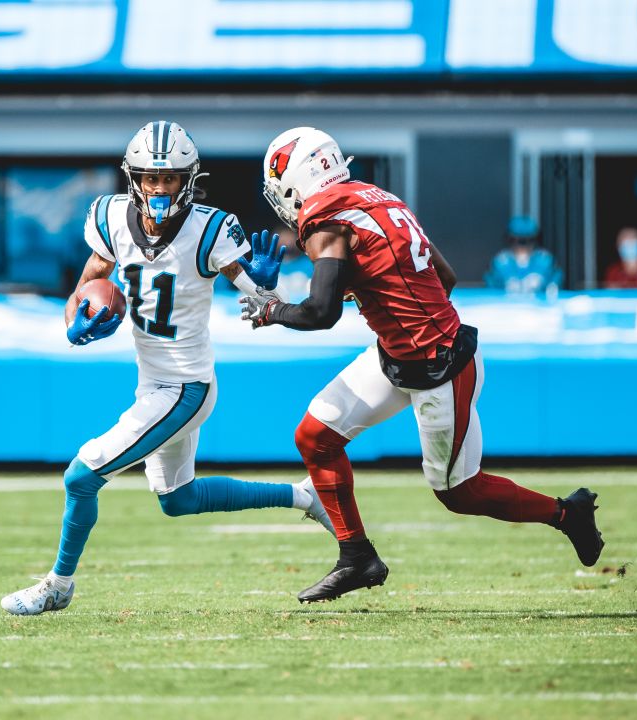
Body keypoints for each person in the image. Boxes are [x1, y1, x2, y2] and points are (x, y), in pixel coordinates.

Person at [240, 127, 604, 603]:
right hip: (401, 353)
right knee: (315, 436)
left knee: (459, 492)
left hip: (438, 368)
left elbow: (320, 313)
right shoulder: (378, 199)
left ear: (300, 178)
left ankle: (567, 513)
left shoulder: (324, 218)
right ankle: (356, 557)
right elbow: (445, 277)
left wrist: (272, 311)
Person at [0, 121, 333, 616]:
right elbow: (88, 282)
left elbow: (267, 302)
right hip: (153, 383)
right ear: (134, 179)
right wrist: (75, 323)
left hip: (184, 387)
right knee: (177, 499)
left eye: (171, 179)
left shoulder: (212, 228)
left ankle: (58, 585)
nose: (160, 188)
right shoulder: (110, 217)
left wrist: (264, 284)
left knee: (80, 477)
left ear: (188, 180)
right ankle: (305, 497)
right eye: (151, 179)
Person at [483, 215, 562, 292]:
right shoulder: (500, 262)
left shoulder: (545, 260)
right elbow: (492, 289)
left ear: (536, 241)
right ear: (509, 241)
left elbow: (554, 286)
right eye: (517, 241)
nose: (522, 246)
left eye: (528, 241)